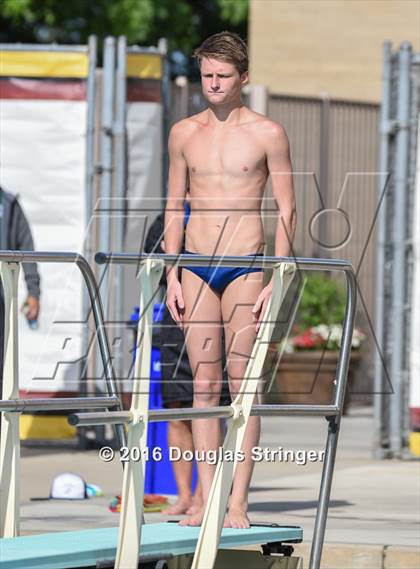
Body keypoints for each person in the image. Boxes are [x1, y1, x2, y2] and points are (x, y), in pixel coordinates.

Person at [164, 31, 296, 529]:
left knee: (243, 387)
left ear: (244, 77)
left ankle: (237, 501)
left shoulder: (268, 133)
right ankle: (206, 497)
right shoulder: (183, 133)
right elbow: (174, 204)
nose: (213, 85)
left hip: (245, 264)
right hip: (196, 263)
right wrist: (172, 272)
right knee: (204, 385)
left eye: (223, 76)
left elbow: (287, 207)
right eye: (206, 76)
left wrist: (276, 278)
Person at [143, 200, 231, 516]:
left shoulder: (223, 215)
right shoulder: (168, 217)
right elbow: (151, 263)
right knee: (177, 410)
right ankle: (183, 496)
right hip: (176, 319)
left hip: (212, 319)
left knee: (209, 409)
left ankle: (203, 495)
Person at [0, 187, 41, 392]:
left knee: (3, 367)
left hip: (2, 299)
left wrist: (33, 292)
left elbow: (26, 247)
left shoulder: (9, 204)